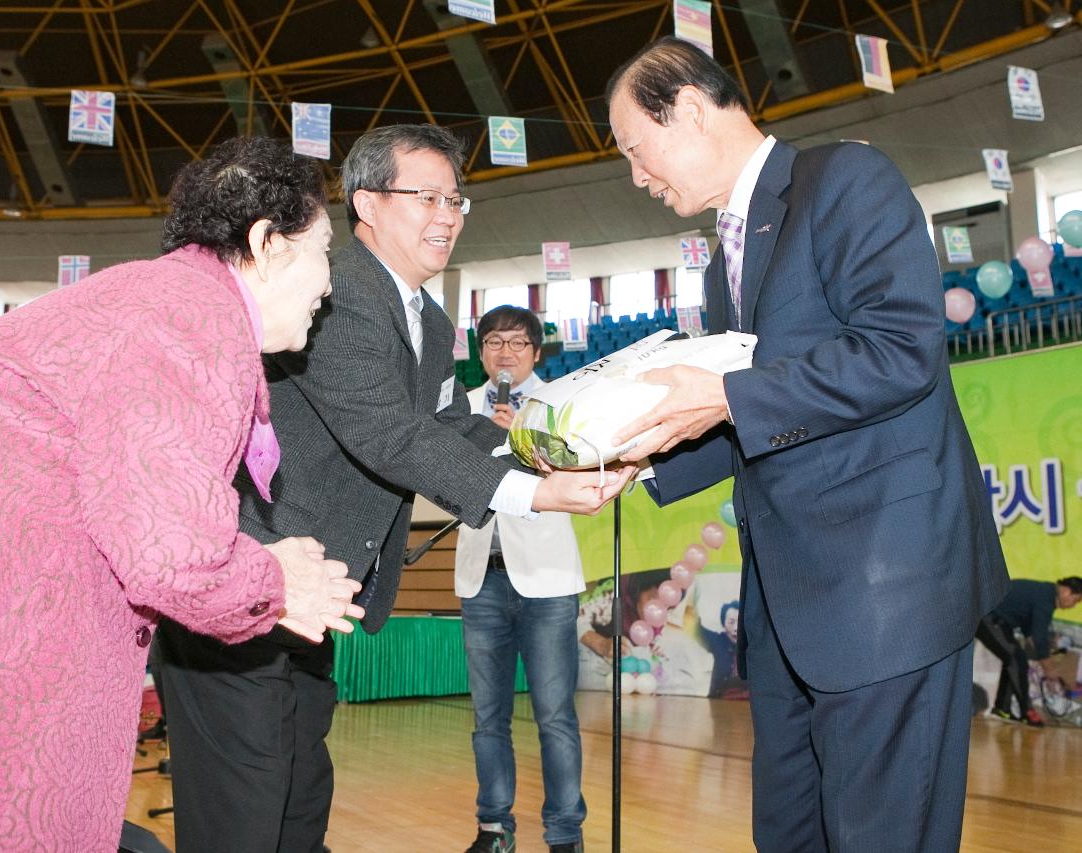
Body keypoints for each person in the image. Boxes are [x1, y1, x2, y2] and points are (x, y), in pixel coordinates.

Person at [0, 137, 364, 852]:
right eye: (323, 250)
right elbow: (173, 558)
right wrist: (275, 582)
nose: (328, 284)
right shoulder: (191, 318)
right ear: (267, 243)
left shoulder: (155, 300)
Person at [156, 124, 634, 853]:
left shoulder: (432, 320)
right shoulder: (337, 291)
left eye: (456, 199)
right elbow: (389, 435)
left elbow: (448, 424)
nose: (448, 213)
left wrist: (550, 457)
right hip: (247, 592)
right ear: (367, 204)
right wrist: (534, 496)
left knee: (297, 796)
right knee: (244, 812)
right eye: (428, 196)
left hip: (313, 596)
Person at [605, 38, 1008, 852]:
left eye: (634, 151)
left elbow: (901, 349)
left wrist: (719, 394)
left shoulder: (845, 180)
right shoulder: (728, 256)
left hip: (884, 590)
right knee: (789, 834)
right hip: (792, 608)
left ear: (685, 109)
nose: (636, 177)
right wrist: (632, 457)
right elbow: (760, 415)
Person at [453, 306, 587, 853]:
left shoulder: (562, 403)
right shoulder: (458, 410)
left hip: (549, 581)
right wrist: (483, 438)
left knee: (554, 716)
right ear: (480, 352)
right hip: (480, 579)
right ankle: (493, 827)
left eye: (515, 341)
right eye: (492, 341)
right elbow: (442, 482)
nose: (503, 352)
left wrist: (517, 440)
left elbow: (581, 473)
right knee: (488, 718)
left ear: (535, 350)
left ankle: (564, 834)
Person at [976, 576, 1082, 726]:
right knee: (1015, 659)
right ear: (1066, 591)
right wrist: (1049, 670)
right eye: (1076, 600)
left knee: (1016, 659)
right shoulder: (1046, 598)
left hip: (995, 620)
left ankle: (1002, 709)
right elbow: (1038, 639)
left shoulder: (1045, 593)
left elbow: (1031, 634)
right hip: (988, 618)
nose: (1074, 605)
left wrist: (1045, 661)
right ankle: (1027, 711)